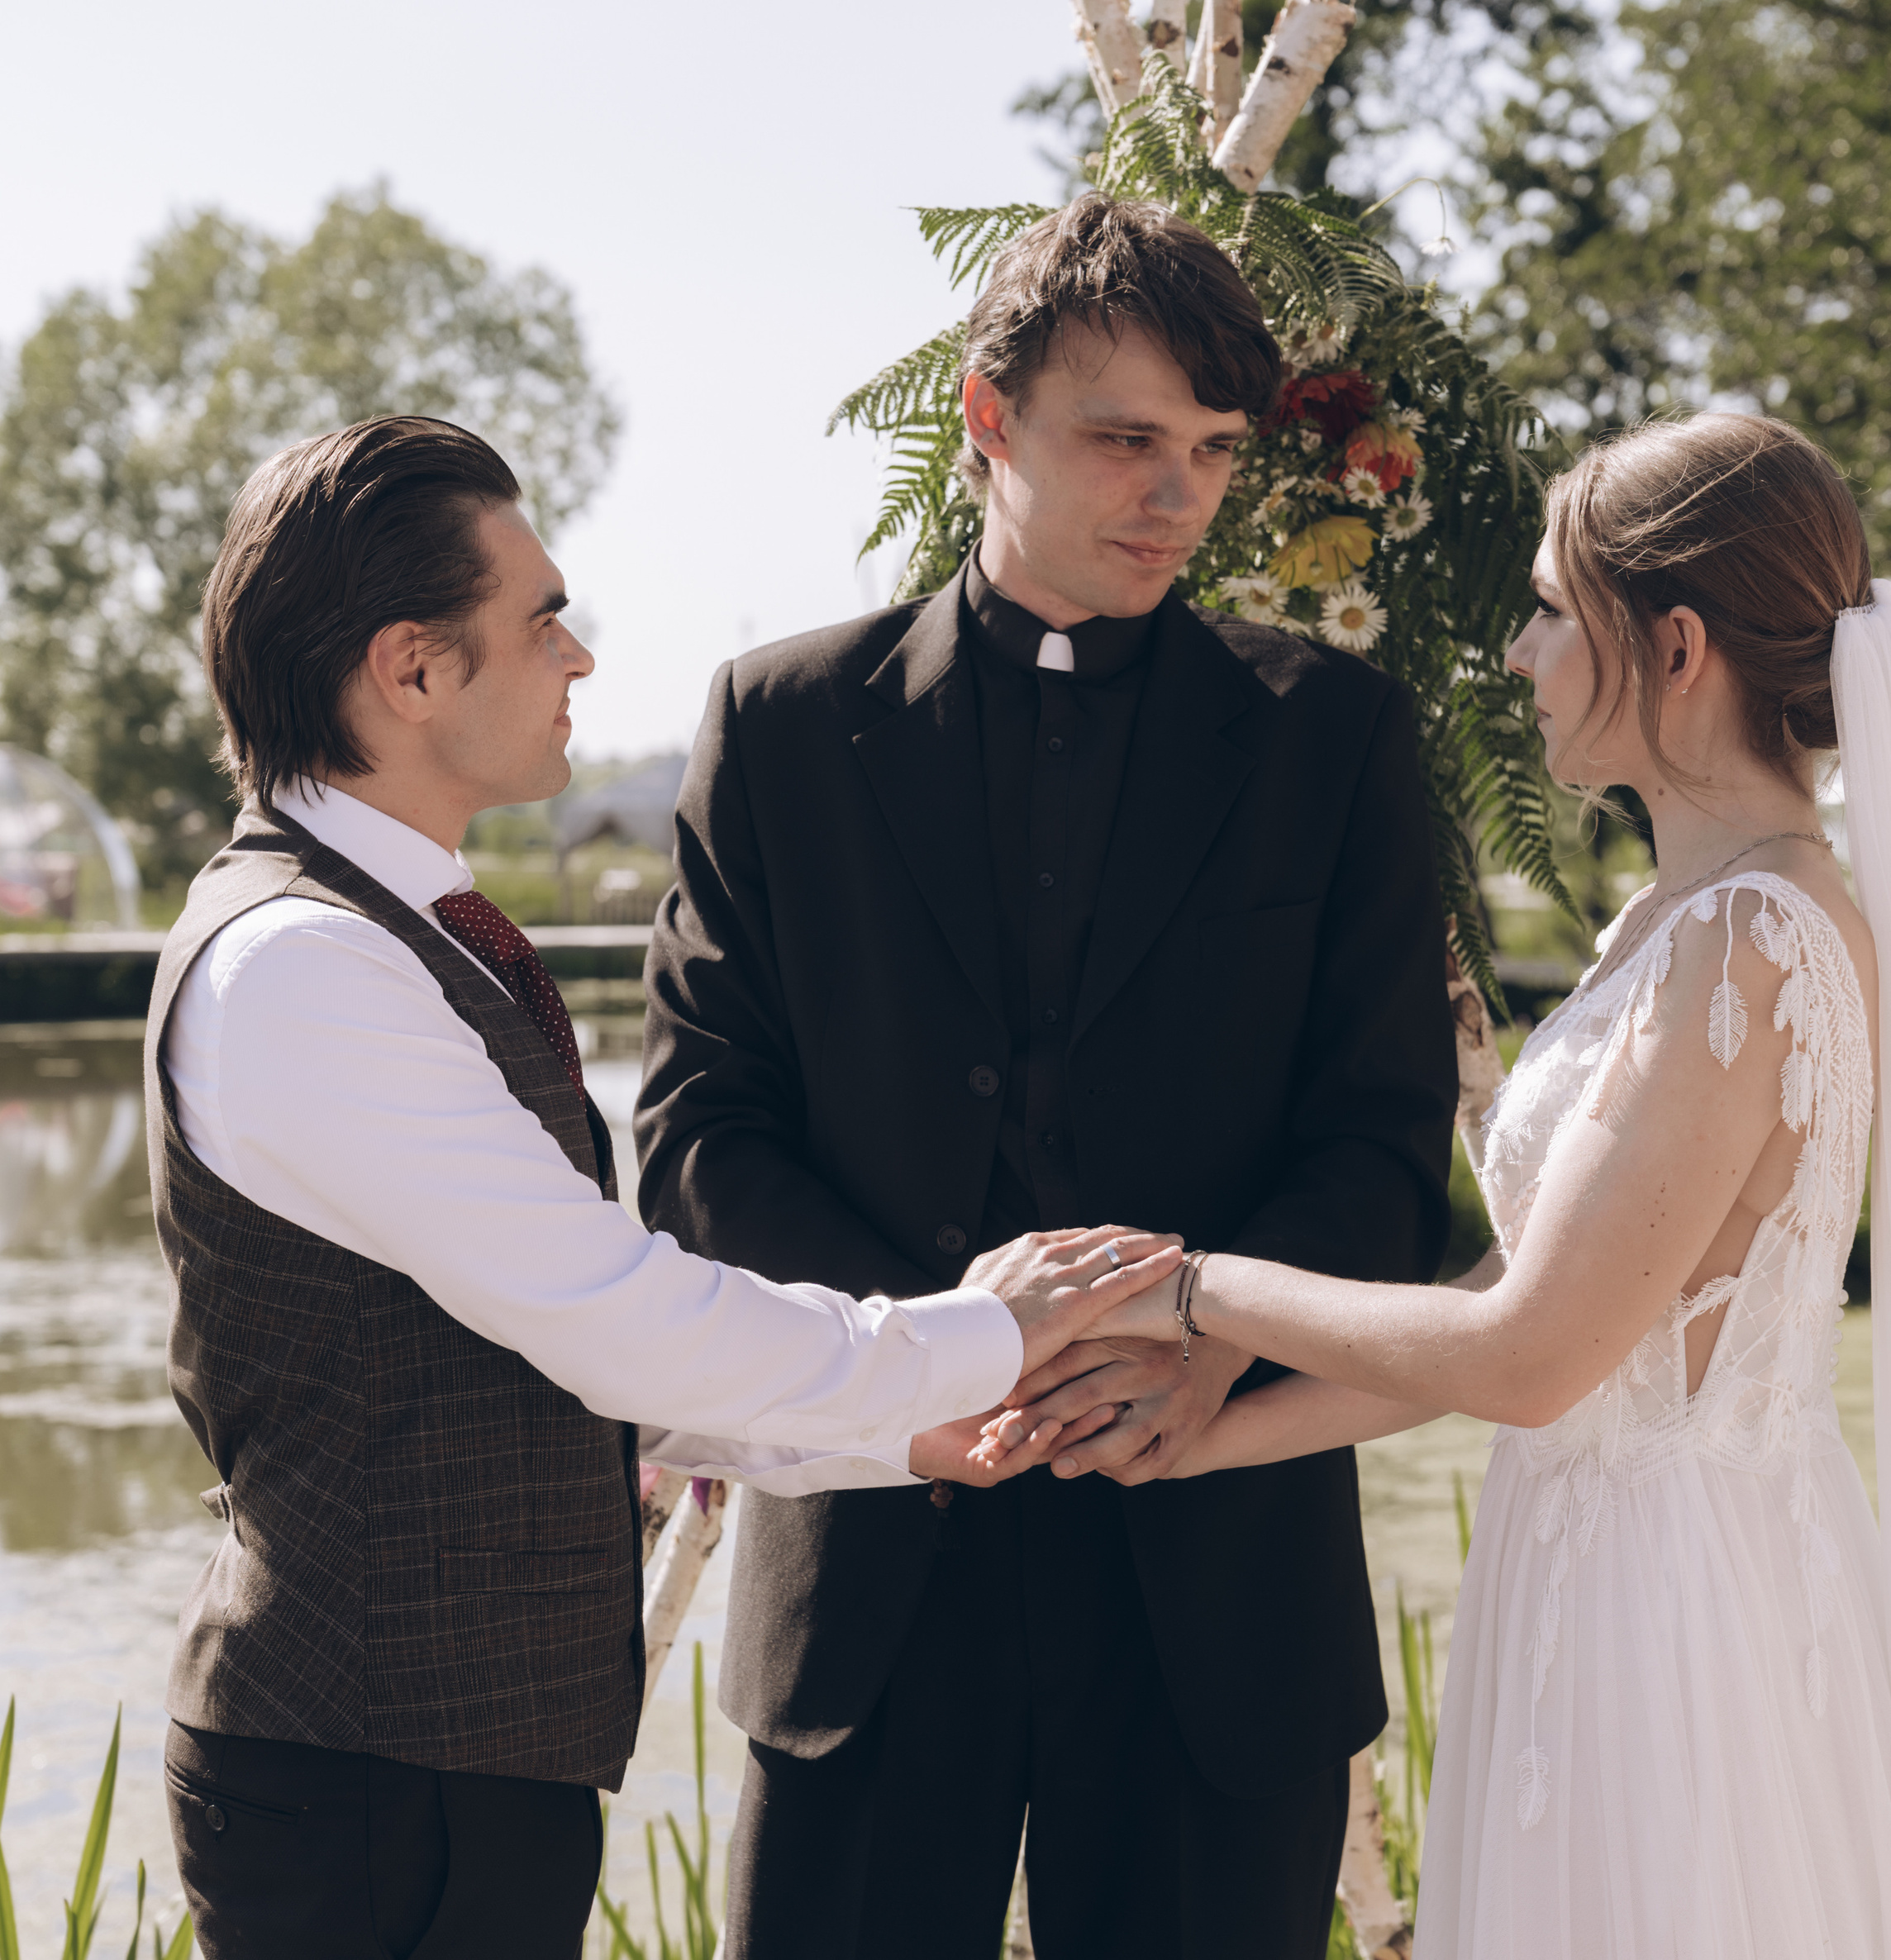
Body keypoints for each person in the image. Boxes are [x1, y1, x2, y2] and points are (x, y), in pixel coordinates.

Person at [1005, 413, 1891, 1957]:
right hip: (1613, 1562)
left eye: (1553, 610)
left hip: (1671, 1631)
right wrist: (1202, 1440)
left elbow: (1527, 1359)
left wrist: (1185, 1286)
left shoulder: (1752, 942)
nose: (1519, 653)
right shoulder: (1677, 917)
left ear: (1678, 644)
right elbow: (1557, 1338)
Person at [147, 415, 1173, 1960]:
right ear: (411, 670)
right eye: (541, 615)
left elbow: (539, 1353)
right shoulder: (309, 965)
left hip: (440, 1766)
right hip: (368, 1779)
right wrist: (986, 1331)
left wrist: (896, 1433)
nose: (582, 658)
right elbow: (610, 1318)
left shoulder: (388, 933)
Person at [635, 193, 1459, 1959]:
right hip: (870, 1559)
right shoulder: (775, 725)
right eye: (1125, 440)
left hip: (1217, 1559)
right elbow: (698, 1133)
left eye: (1215, 452)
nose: (1178, 495)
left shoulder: (1333, 741)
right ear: (988, 418)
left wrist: (1217, 1337)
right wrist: (929, 1352)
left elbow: (1385, 1152)